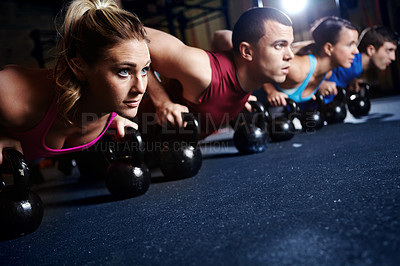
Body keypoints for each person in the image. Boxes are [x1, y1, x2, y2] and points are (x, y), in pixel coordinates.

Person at [0, 0, 150, 165]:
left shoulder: (109, 104)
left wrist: (111, 114)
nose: (141, 88)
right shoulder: (13, 99)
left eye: (144, 70)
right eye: (123, 71)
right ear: (78, 67)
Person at [137, 7, 294, 139]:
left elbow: (220, 35)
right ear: (246, 51)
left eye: (290, 45)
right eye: (279, 46)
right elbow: (133, 35)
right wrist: (162, 101)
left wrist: (239, 97)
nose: (290, 55)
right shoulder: (200, 69)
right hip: (131, 140)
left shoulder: (249, 75)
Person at [262, 16, 359, 107]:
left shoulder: (327, 73)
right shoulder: (297, 69)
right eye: (350, 45)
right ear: (328, 48)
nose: (356, 51)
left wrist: (321, 85)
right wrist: (271, 91)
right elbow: (260, 68)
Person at [319, 25, 399, 99]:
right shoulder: (348, 61)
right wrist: (319, 85)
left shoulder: (356, 67)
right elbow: (312, 70)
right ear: (371, 50)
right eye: (389, 50)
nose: (393, 58)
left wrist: (349, 83)